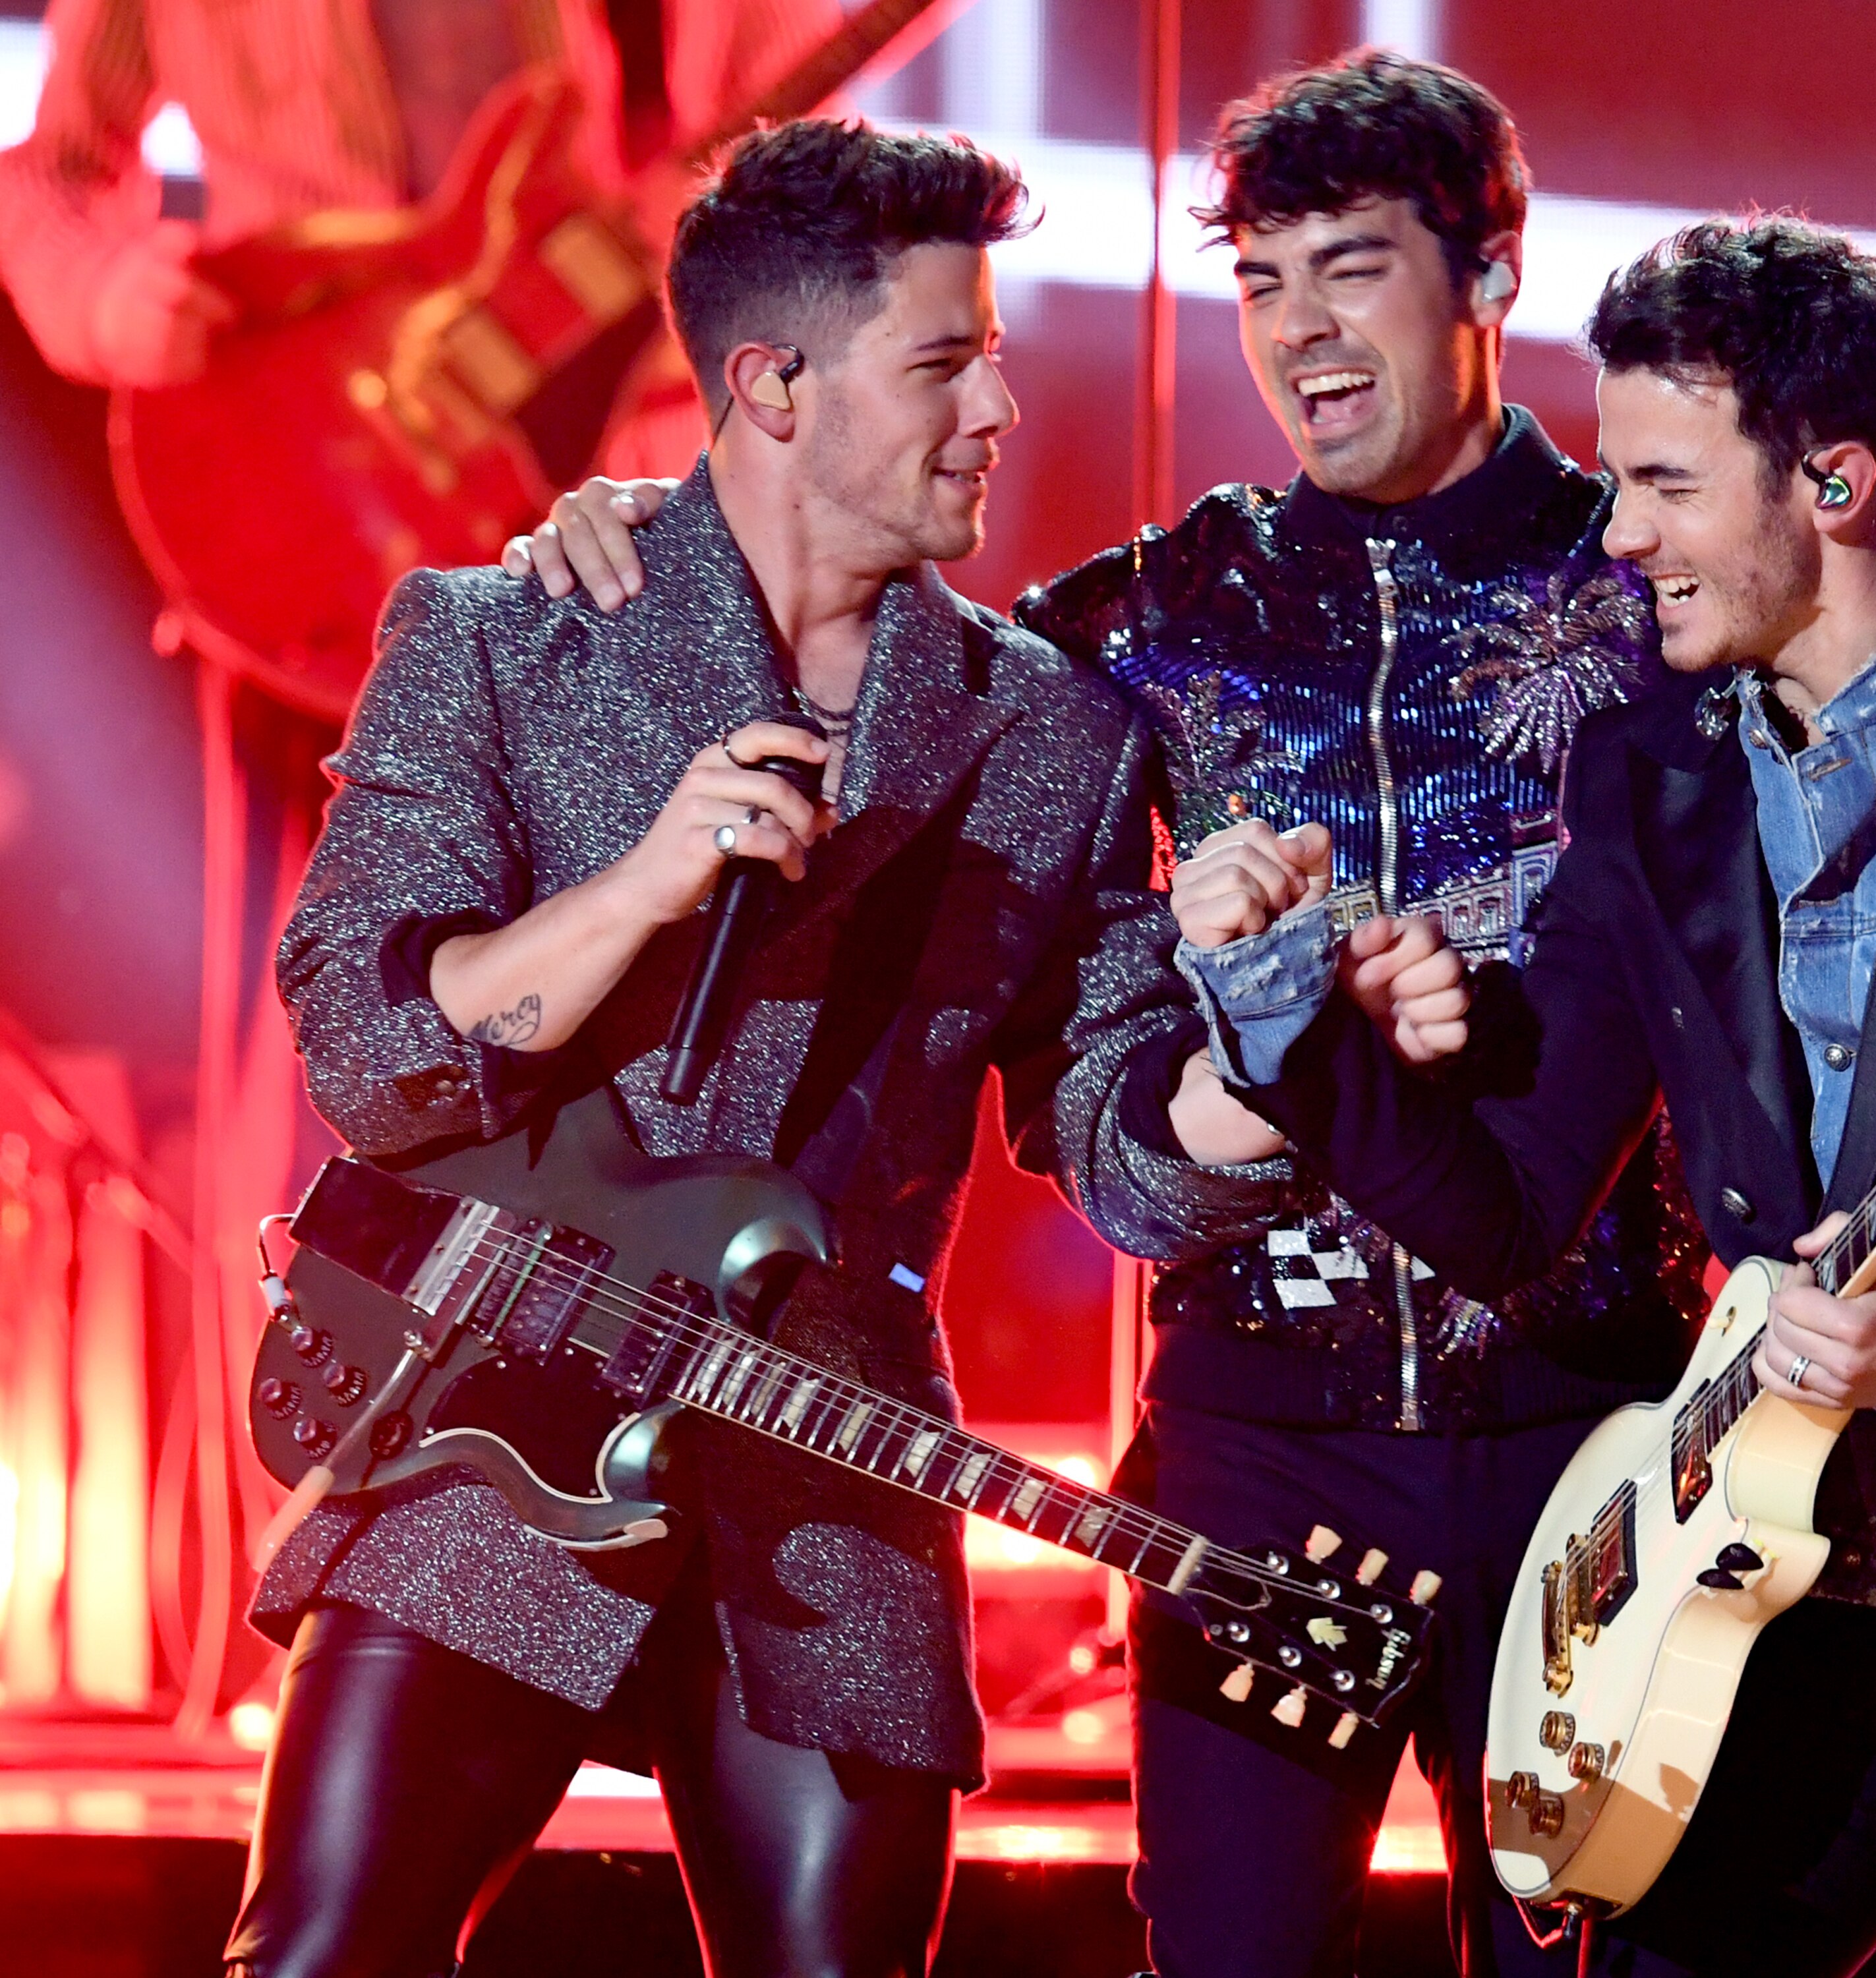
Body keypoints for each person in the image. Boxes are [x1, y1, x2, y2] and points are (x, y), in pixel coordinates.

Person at [507, 53, 1876, 1978]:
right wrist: (631, 533)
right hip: (1258, 1457)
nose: (1299, 328)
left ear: (1487, 276)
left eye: (1354, 269)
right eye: (1264, 279)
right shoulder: (1146, 614)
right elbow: (839, 602)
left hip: (1609, 1440)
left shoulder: (1654, 565)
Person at [1167, 216, 1876, 1977]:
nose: (1619, 536)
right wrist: (1285, 1027)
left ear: (1834, 482)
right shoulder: (1651, 765)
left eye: (1664, 487)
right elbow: (1513, 1205)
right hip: (1776, 1593)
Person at [237, 121, 1210, 1978]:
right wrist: (643, 886)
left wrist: (1251, 1046)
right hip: (489, 1412)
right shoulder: (505, 633)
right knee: (319, 1956)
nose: (1001, 400)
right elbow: (368, 1050)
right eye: (943, 359)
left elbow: (1117, 1140)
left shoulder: (1057, 732)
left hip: (827, 1463)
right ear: (769, 383)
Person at [0, 0, 842, 469]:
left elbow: (822, 168)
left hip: (633, 481)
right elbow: (50, 171)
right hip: (307, 490)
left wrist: (752, 235)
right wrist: (107, 297)